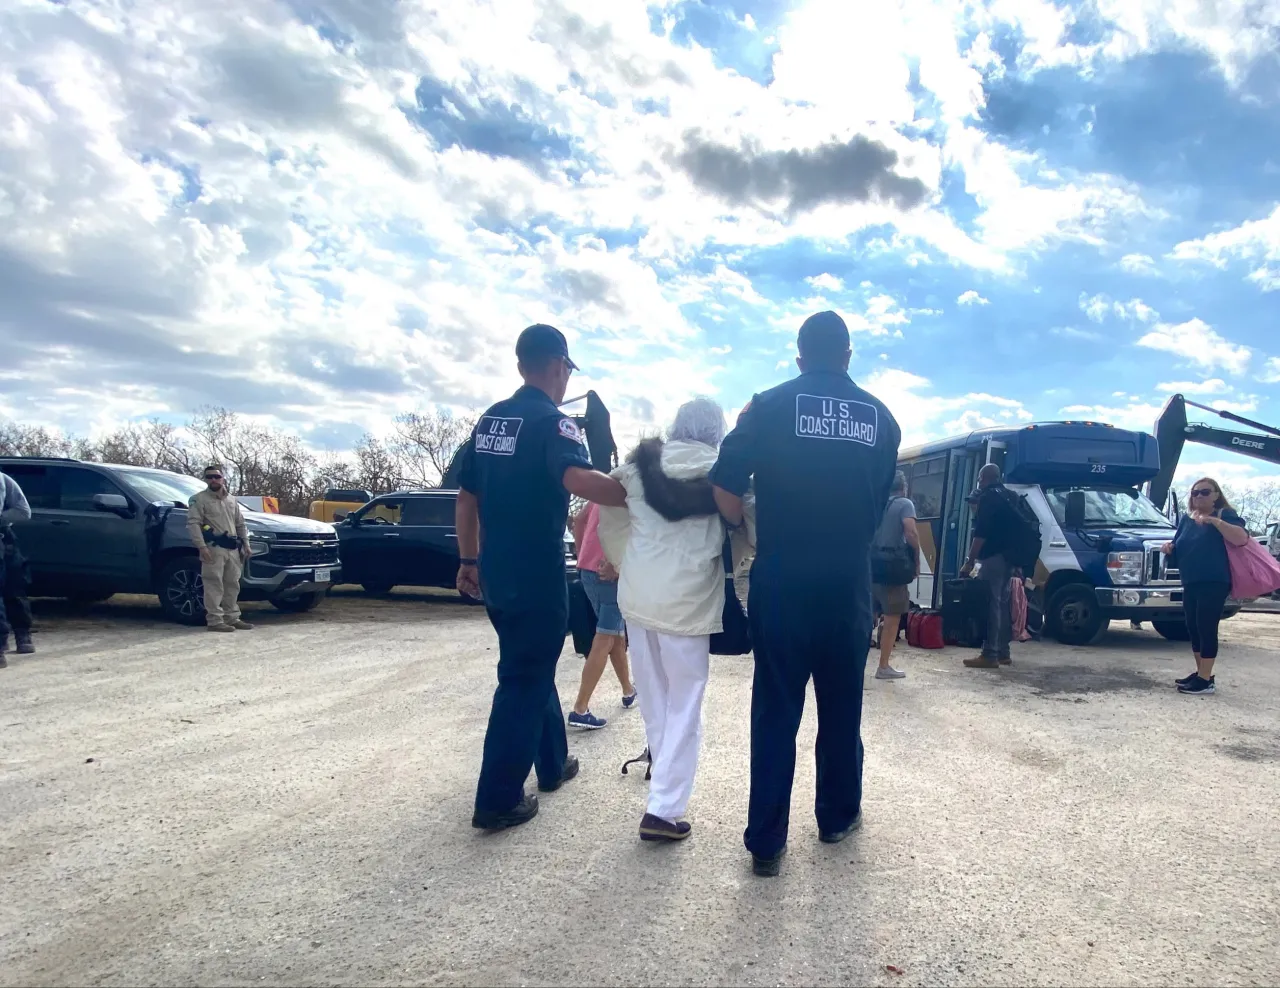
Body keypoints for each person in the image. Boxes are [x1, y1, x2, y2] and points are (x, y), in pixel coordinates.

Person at [710, 311, 900, 877]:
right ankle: (838, 817)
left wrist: (746, 531)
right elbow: (880, 495)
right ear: (847, 356)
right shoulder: (882, 418)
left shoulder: (767, 406)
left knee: (775, 707)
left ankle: (767, 841)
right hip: (847, 579)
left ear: (799, 358)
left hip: (783, 573)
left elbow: (723, 481)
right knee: (842, 706)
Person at [456, 324, 628, 832]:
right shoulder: (555, 424)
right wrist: (635, 492)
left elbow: (467, 498)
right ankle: (498, 798)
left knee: (530, 663)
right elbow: (577, 480)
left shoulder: (490, 421)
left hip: (495, 570)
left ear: (520, 365)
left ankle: (553, 765)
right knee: (522, 678)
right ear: (559, 366)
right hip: (536, 572)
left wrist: (468, 561)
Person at [598, 397, 738, 842]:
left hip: (638, 597)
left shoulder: (639, 469)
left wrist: (622, 560)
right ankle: (663, 809)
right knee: (685, 703)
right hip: (689, 604)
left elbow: (612, 518)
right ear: (718, 429)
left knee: (656, 700)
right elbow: (747, 524)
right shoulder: (725, 472)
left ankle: (662, 785)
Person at [1161, 477, 1249, 696]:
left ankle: (1206, 681)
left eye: (1205, 492)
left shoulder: (1225, 515)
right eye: (1195, 493)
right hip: (1191, 580)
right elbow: (1179, 543)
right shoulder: (1186, 520)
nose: (1199, 496)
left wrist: (1215, 522)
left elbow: (1241, 538)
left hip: (1215, 580)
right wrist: (1169, 547)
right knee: (1192, 625)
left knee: (1206, 626)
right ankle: (1202, 674)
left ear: (1216, 495)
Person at [568, 502, 636, 730]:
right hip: (610, 573)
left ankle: (628, 691)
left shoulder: (602, 488)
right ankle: (580, 708)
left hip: (588, 570)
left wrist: (583, 554)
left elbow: (578, 520)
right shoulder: (630, 492)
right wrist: (618, 566)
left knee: (614, 633)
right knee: (606, 636)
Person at [960, 464, 1016, 668]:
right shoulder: (1010, 495)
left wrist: (969, 562)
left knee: (990, 604)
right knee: (1002, 604)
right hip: (1009, 558)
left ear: (983, 478)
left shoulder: (988, 497)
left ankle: (989, 654)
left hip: (992, 558)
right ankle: (1003, 652)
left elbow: (980, 534)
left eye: (979, 479)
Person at [186, 464, 253, 633]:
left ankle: (232, 617)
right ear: (205, 479)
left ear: (223, 478)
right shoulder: (198, 499)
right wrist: (201, 547)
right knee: (213, 584)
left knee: (232, 584)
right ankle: (215, 620)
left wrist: (246, 544)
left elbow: (240, 523)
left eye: (216, 476)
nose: (213, 480)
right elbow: (193, 524)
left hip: (232, 549)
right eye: (209, 477)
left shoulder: (231, 500)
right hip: (213, 548)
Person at [870, 470, 919, 680]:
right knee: (892, 617)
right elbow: (910, 532)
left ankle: (856, 663)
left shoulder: (875, 502)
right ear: (904, 487)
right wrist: (916, 559)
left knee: (867, 615)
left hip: (871, 564)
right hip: (892, 566)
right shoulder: (905, 504)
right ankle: (883, 666)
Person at [1, 470, 35, 666]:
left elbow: (23, 511)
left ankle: (22, 636)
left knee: (15, 588)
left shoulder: (4, 480)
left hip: (6, 538)